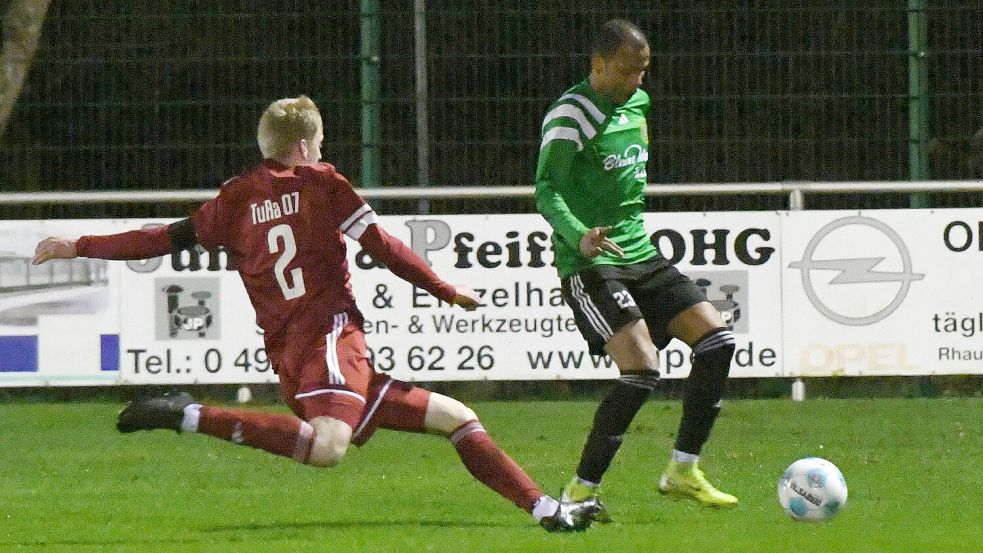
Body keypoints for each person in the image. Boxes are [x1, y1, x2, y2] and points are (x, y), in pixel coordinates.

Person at [33, 95, 597, 532]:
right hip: (329, 334)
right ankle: (187, 415)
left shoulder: (237, 197)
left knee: (457, 418)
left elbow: (162, 238)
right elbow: (381, 245)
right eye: (321, 141)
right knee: (327, 447)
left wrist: (79, 244)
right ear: (305, 145)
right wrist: (444, 288)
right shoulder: (323, 183)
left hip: (293, 352)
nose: (323, 151)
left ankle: (546, 509)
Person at [533, 20, 739, 521]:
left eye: (644, 71)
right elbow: (546, 189)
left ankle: (683, 470)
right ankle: (581, 490)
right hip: (591, 261)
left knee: (717, 342)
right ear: (598, 65)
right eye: (628, 71)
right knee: (642, 370)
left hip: (640, 253)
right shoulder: (571, 114)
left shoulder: (638, 104)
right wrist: (578, 232)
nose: (637, 82)